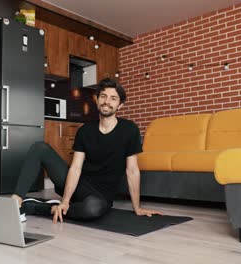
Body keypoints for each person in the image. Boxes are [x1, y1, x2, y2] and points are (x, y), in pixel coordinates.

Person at [11, 78, 162, 223]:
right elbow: (76, 168)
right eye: (103, 96)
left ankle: (43, 208)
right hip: (77, 185)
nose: (107, 101)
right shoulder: (85, 130)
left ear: (120, 105)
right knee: (40, 147)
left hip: (100, 197)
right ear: (97, 99)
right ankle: (16, 203)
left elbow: (132, 170)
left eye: (113, 98)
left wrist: (137, 208)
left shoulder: (129, 129)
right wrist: (65, 200)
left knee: (92, 209)